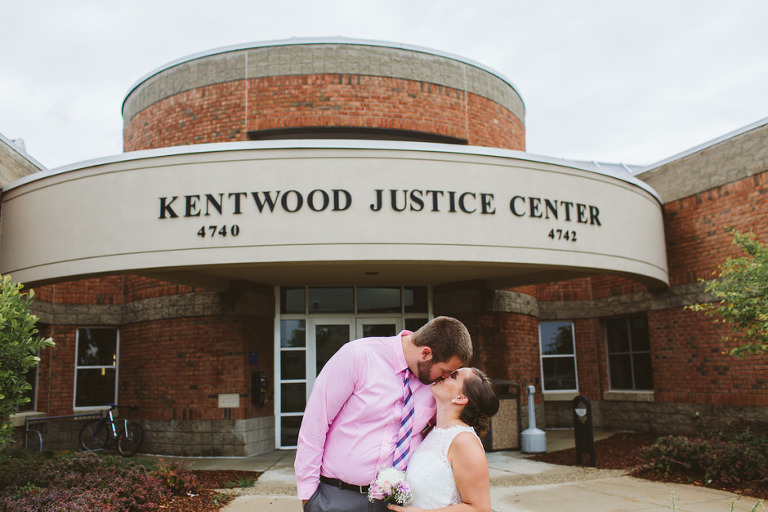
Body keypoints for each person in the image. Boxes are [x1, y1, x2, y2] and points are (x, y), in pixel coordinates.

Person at [295, 316, 474, 512]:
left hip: (397, 501)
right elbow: (315, 425)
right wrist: (308, 497)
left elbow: (448, 428)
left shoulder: (436, 387)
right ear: (426, 354)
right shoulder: (357, 356)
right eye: (445, 371)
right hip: (338, 497)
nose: (445, 378)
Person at [388, 367, 499, 512]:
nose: (444, 375)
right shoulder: (431, 432)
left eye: (453, 376)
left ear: (460, 398)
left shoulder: (464, 441)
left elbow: (480, 508)